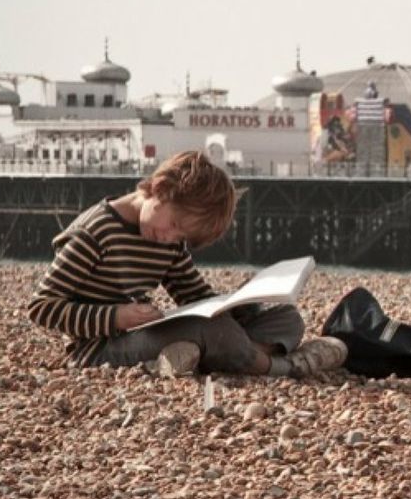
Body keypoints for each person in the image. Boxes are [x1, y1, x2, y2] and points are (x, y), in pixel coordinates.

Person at [27, 150, 346, 378]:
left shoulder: (168, 242)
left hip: (146, 333)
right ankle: (282, 367)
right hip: (100, 349)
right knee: (208, 330)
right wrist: (117, 316)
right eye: (175, 224)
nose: (171, 237)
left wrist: (241, 303)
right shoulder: (94, 233)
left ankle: (207, 356)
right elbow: (41, 307)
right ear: (159, 189)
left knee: (286, 318)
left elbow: (193, 296)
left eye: (183, 234)